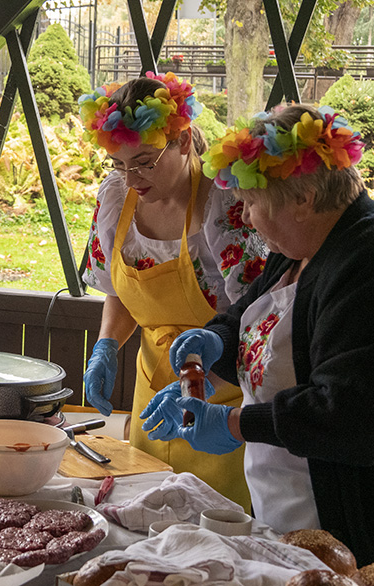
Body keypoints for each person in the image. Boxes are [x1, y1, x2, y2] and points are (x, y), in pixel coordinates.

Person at [140, 104, 374, 577]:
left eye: (254, 203)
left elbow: (354, 414)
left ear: (303, 198)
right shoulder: (297, 250)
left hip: (362, 524)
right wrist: (213, 344)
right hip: (284, 510)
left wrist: (235, 423)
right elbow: (243, 318)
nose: (247, 217)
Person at [78, 72, 267, 508]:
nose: (131, 179)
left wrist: (201, 384)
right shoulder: (115, 199)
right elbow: (118, 290)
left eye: (144, 162)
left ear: (182, 141)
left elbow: (257, 318)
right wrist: (106, 346)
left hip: (221, 398)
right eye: (119, 164)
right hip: (154, 392)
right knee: (148, 513)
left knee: (218, 520)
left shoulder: (223, 204)